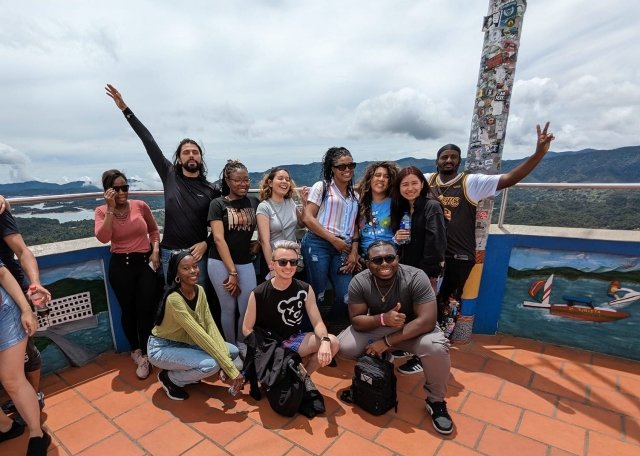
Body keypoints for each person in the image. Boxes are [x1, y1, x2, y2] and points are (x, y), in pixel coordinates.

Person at [425, 122, 555, 325]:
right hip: (431, 253)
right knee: (425, 300)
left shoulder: (471, 183)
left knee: (449, 301)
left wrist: (538, 153)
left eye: (453, 157)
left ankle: (442, 341)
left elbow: (510, 178)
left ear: (460, 161)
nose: (449, 160)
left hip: (458, 254)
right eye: (444, 157)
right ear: (437, 161)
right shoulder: (426, 181)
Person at [106, 84, 220, 283]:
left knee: (199, 301)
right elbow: (148, 140)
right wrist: (126, 110)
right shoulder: (169, 174)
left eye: (195, 152)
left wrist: (206, 243)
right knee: (170, 301)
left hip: (196, 255)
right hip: (169, 254)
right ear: (179, 158)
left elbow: (223, 224)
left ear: (201, 158)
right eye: (186, 152)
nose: (191, 155)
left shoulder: (211, 189)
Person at [338, 240, 453, 435]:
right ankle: (378, 367)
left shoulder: (416, 277)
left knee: (436, 347)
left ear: (397, 259)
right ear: (368, 263)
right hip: (381, 325)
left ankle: (436, 401)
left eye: (389, 258)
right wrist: (383, 318)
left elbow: (427, 321)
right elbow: (356, 321)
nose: (384, 264)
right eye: (377, 260)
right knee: (344, 346)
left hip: (413, 330)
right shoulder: (360, 281)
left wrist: (386, 342)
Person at [147, 251, 243, 401]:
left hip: (187, 343)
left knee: (232, 351)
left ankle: (184, 369)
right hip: (162, 348)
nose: (193, 271)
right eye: (186, 268)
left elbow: (210, 326)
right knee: (211, 365)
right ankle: (170, 378)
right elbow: (200, 334)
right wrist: (229, 368)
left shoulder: (200, 291)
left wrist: (226, 362)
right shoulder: (174, 299)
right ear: (176, 274)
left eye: (195, 266)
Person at [95, 169, 161, 379]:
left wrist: (156, 251)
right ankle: (136, 351)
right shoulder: (101, 211)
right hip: (120, 266)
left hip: (144, 262)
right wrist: (111, 209)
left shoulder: (140, 206)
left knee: (146, 309)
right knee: (128, 310)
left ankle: (148, 353)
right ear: (108, 191)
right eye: (117, 189)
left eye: (125, 187)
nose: (122, 192)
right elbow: (103, 238)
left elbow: (153, 230)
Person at [243, 240, 339, 375]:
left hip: (293, 340)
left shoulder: (305, 289)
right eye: (283, 262)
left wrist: (324, 341)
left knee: (332, 342)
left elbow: (317, 322)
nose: (289, 266)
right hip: (269, 345)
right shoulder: (258, 293)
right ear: (272, 265)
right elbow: (247, 328)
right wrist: (265, 351)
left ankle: (304, 379)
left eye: (293, 262)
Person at [391, 167, 447, 375]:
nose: (410, 188)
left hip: (425, 272)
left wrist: (422, 275)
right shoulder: (405, 209)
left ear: (422, 184)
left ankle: (422, 358)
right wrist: (396, 239)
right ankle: (409, 347)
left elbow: (437, 245)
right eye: (404, 184)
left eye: (414, 183)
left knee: (425, 315)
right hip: (407, 270)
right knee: (410, 312)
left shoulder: (432, 207)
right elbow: (403, 242)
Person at [0, 203, 51, 410]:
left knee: (25, 350)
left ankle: (34, 395)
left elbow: (22, 251)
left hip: (13, 292)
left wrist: (35, 282)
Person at [301, 147, 359, 325]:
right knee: (317, 292)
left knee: (346, 295)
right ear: (332, 168)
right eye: (341, 166)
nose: (347, 169)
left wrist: (354, 252)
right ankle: (308, 332)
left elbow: (355, 225)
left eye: (351, 165)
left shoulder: (354, 195)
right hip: (318, 244)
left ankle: (328, 326)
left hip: (343, 247)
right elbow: (308, 218)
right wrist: (333, 240)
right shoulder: (322, 187)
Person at [0, 260, 51, 454]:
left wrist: (26, 310)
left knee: (12, 379)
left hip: (3, 314)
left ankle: (37, 434)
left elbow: (2, 274)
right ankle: (6, 426)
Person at [208, 160, 259, 346]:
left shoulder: (254, 201)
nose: (243, 184)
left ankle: (241, 342)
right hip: (220, 262)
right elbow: (218, 239)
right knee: (228, 307)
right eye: (238, 180)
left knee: (246, 307)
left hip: (245, 260)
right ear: (228, 181)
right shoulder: (217, 204)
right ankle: (230, 348)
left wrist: (259, 242)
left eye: (246, 179)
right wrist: (232, 272)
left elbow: (265, 224)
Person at [256, 167, 306, 280]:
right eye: (280, 178)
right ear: (270, 183)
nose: (285, 182)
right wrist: (272, 268)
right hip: (275, 259)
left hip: (292, 259)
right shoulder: (264, 207)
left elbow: (302, 224)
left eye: (287, 179)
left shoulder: (290, 202)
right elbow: (265, 241)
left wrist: (304, 203)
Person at [355, 161, 399, 258]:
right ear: (370, 179)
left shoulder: (396, 204)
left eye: (386, 177)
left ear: (391, 181)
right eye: (377, 175)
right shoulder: (359, 203)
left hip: (389, 257)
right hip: (365, 258)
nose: (381, 179)